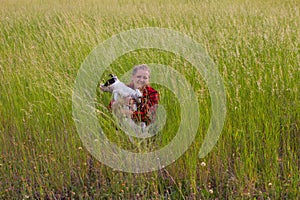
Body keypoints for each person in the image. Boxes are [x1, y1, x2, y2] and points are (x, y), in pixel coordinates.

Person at [101, 64, 159, 136]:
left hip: (144, 130)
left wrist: (127, 113)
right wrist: (121, 102)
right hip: (121, 128)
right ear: (132, 77)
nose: (141, 80)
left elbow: (148, 115)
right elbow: (109, 110)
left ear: (148, 79)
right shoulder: (123, 89)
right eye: (138, 77)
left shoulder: (153, 93)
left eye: (145, 78)